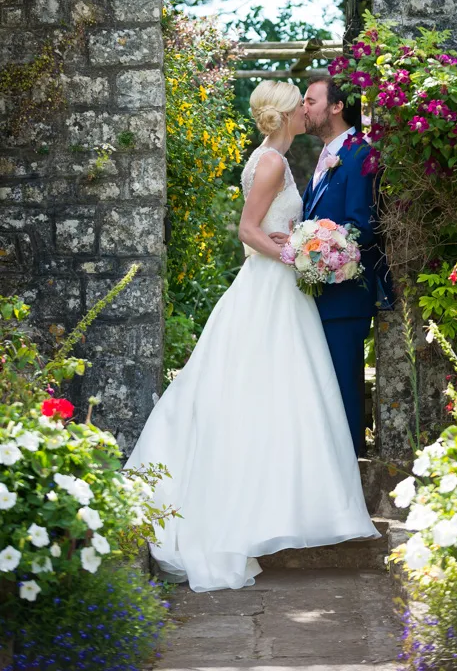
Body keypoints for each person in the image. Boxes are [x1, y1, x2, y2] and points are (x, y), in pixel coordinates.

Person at [125, 80, 379, 594]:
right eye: (300, 104)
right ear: (286, 114)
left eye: (312, 102)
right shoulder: (271, 163)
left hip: (283, 287)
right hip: (271, 286)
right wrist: (296, 254)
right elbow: (247, 230)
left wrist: (301, 247)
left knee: (286, 394)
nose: (307, 111)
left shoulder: (276, 160)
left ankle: (287, 501)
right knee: (262, 389)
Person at [271, 77, 393, 455]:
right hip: (319, 296)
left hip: (344, 298)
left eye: (310, 100)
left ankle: (351, 470)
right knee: (320, 390)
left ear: (336, 106)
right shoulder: (328, 155)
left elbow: (363, 226)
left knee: (343, 388)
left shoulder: (358, 153)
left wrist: (310, 247)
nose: (302, 108)